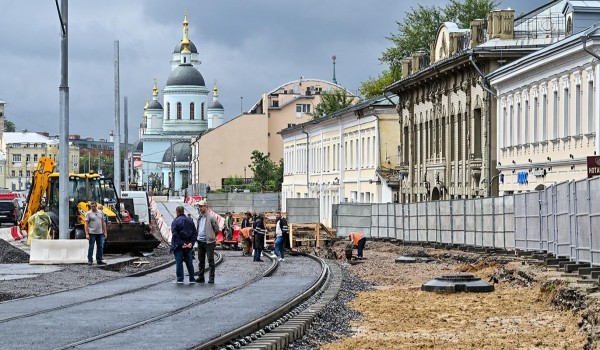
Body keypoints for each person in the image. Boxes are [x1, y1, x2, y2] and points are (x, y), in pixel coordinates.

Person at [170, 206, 197, 284]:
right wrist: (190, 243)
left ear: (177, 212)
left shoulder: (175, 221)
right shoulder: (190, 221)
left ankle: (180, 279)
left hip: (179, 246)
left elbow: (175, 234)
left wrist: (182, 244)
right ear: (183, 211)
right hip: (188, 246)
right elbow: (194, 233)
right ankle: (192, 278)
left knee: (179, 262)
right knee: (189, 262)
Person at [195, 199, 219, 283]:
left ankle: (211, 277)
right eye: (199, 207)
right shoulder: (199, 217)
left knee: (210, 260)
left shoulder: (211, 217)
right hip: (200, 241)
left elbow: (216, 229)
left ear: (206, 206)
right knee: (201, 260)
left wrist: (212, 237)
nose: (200, 208)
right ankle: (201, 276)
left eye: (201, 206)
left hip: (209, 242)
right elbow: (198, 228)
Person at [85, 201, 107, 265]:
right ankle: (90, 260)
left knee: (100, 246)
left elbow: (103, 222)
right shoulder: (88, 213)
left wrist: (105, 232)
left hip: (100, 233)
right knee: (91, 246)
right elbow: (86, 224)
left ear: (96, 206)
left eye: (94, 206)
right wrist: (87, 234)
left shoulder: (100, 212)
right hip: (92, 233)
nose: (93, 207)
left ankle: (99, 259)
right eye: (92, 206)